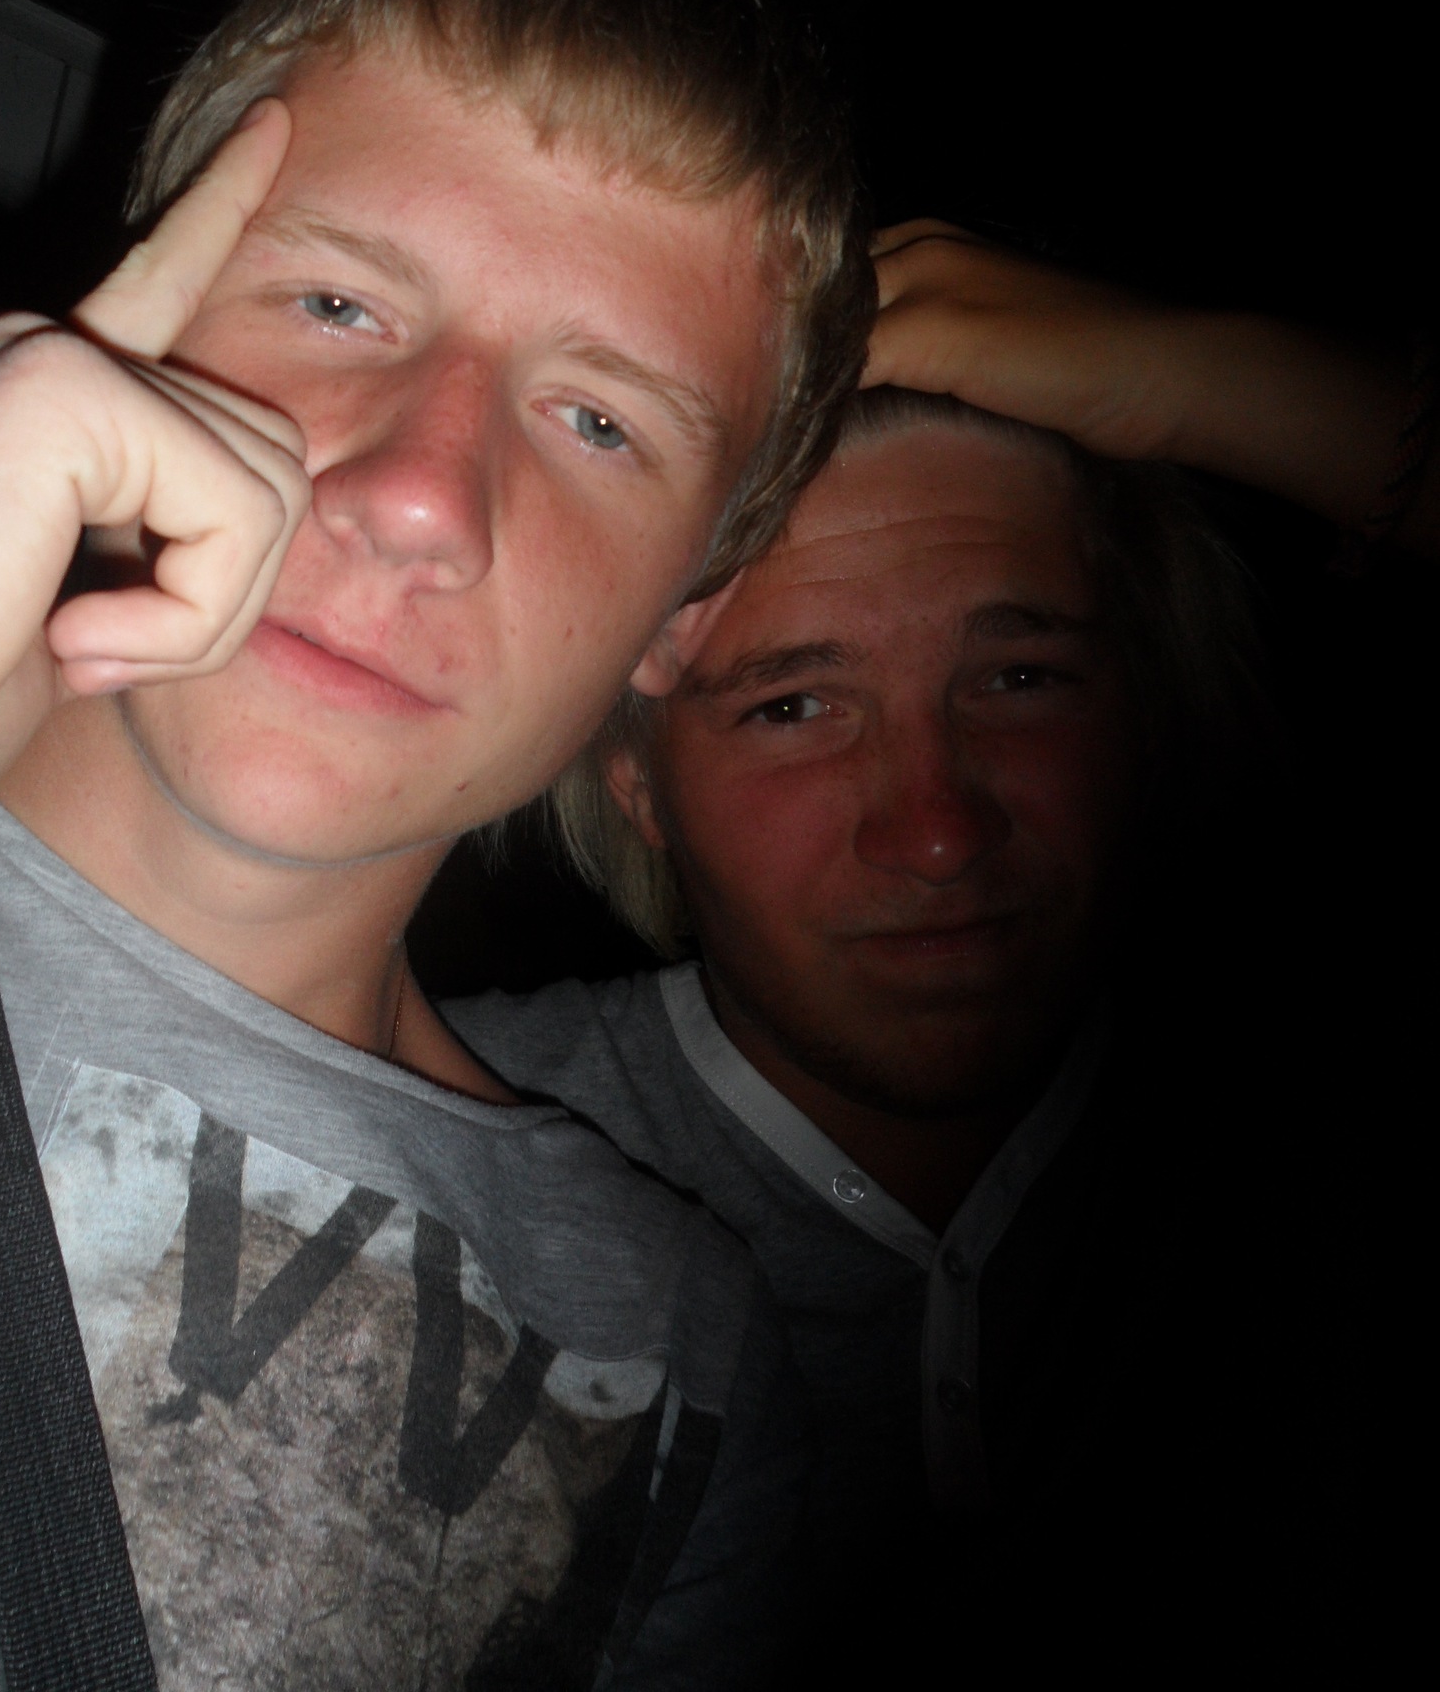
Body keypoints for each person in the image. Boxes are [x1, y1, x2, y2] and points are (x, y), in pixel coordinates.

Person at [0, 0, 872, 1691]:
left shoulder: (676, 1353)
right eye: (338, 302)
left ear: (682, 617)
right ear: (129, 312)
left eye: (600, 420)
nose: (418, 498)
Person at [449, 223, 1421, 1670]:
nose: (939, 831)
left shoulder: (1309, 1113)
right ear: (633, 777)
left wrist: (1194, 377)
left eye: (1019, 678)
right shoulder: (430, 1143)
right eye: (793, 706)